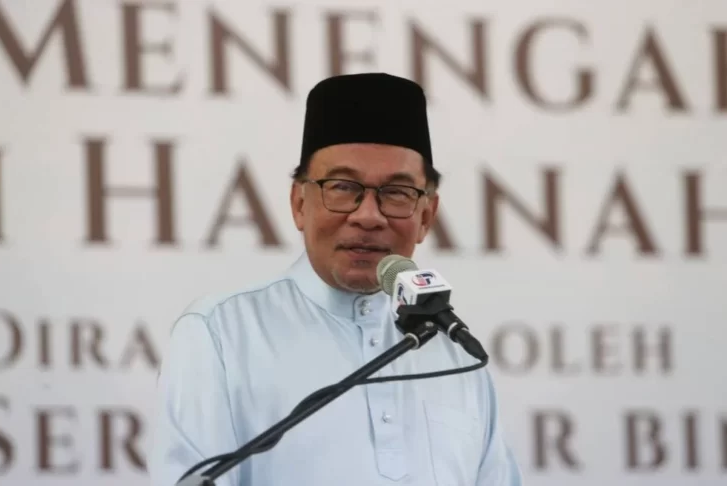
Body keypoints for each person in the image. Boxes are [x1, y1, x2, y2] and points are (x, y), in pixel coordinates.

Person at [149, 72, 523, 486]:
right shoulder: (221, 333)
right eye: (343, 187)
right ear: (299, 204)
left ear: (426, 217)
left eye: (397, 193)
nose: (368, 216)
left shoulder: (456, 355)